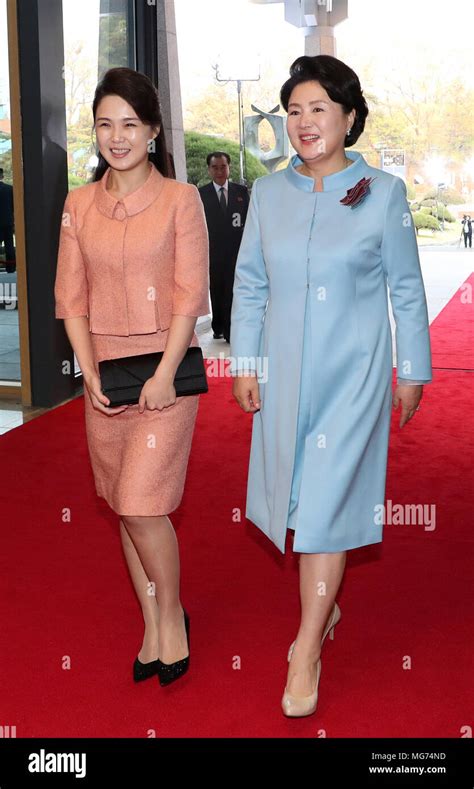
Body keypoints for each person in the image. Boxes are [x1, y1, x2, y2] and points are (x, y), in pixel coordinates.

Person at [230, 55, 432, 718]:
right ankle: (326, 604)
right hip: (285, 372)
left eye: (319, 109)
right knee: (295, 499)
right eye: (294, 110)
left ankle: (307, 646)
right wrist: (248, 363)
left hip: (356, 374)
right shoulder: (268, 194)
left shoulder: (385, 193)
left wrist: (413, 371)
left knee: (323, 512)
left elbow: (405, 288)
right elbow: (251, 283)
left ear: (349, 117)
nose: (304, 122)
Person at [54, 67, 210, 687]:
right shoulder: (77, 204)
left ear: (151, 131)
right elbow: (72, 297)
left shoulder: (180, 200)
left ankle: (172, 616)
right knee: (124, 506)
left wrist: (168, 372)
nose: (116, 137)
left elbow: (187, 295)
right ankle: (151, 618)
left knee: (144, 504)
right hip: (103, 379)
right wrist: (87, 373)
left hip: (164, 373)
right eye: (104, 124)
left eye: (129, 124)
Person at [198, 152, 249, 341]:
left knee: (232, 291)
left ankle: (229, 330)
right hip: (212, 254)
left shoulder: (241, 192)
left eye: (223, 166)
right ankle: (218, 325)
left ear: (229, 168)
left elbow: (249, 222)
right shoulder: (200, 194)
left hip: (237, 253)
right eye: (215, 167)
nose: (219, 171)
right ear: (209, 169)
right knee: (217, 291)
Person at [0, 168, 16, 273]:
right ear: (2, 176)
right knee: (9, 245)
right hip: (7, 222)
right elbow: (14, 206)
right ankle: (11, 268)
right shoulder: (10, 189)